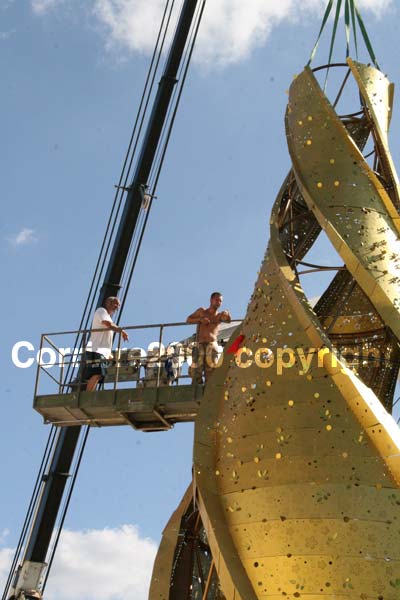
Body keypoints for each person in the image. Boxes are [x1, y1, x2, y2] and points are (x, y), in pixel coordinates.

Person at [83, 296, 129, 391]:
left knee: (98, 375)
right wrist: (121, 331)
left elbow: (105, 338)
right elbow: (108, 324)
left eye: (118, 305)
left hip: (100, 352)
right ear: (108, 303)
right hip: (95, 350)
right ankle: (88, 396)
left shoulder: (108, 317)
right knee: (96, 373)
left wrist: (109, 354)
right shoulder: (101, 311)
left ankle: (89, 394)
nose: (117, 307)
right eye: (116, 304)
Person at [186, 292, 231, 383]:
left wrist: (227, 314)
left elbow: (228, 320)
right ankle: (196, 389)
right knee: (195, 370)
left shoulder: (219, 316)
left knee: (211, 371)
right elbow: (188, 319)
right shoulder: (202, 311)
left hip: (212, 345)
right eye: (217, 300)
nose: (219, 302)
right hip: (200, 344)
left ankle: (208, 391)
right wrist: (200, 320)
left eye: (220, 301)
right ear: (211, 300)